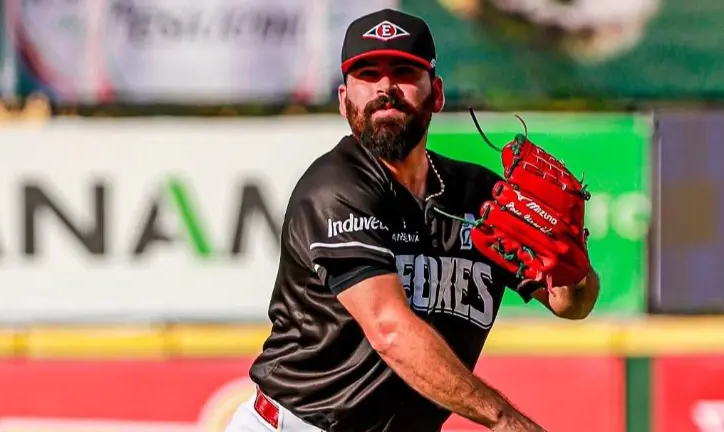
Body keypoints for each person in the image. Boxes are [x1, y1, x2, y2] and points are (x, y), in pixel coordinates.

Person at [223, 8, 600, 432]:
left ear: (435, 94)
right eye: (367, 74)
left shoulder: (478, 195)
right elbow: (391, 332)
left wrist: (573, 266)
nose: (386, 87)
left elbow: (571, 304)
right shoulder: (334, 189)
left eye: (403, 71)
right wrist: (504, 420)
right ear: (345, 101)